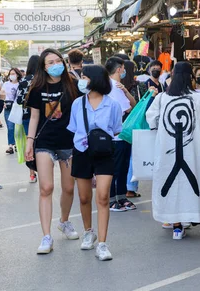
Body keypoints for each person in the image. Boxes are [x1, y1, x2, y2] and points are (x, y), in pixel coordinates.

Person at [146, 61, 200, 240]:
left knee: (174, 187)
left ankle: (177, 227)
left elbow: (151, 120)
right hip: (194, 153)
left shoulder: (162, 98)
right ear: (190, 77)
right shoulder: (197, 98)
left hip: (167, 153)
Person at [24, 48, 80, 254]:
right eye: (50, 62)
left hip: (68, 142)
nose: (55, 64)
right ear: (43, 67)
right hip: (45, 142)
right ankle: (46, 237)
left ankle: (64, 221)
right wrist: (30, 142)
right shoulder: (37, 87)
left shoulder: (73, 85)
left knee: (68, 188)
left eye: (58, 60)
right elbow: (35, 117)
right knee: (46, 188)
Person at [67, 65, 122, 260]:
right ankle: (88, 231)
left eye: (84, 77)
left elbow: (116, 129)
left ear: (95, 79)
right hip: (81, 152)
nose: (81, 80)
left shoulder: (113, 104)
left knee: (103, 196)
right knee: (83, 197)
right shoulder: (77, 104)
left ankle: (103, 244)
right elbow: (74, 129)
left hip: (104, 153)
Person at [105, 57, 137, 212]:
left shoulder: (118, 86)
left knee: (122, 167)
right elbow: (130, 108)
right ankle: (112, 200)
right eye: (123, 68)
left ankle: (121, 197)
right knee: (116, 168)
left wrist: (125, 90)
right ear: (119, 69)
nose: (124, 71)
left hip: (122, 134)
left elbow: (132, 105)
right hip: (115, 135)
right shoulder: (112, 86)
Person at [122, 60, 148, 198]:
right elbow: (144, 104)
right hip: (135, 125)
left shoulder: (115, 87)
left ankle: (120, 186)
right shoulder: (140, 86)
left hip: (120, 125)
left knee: (121, 156)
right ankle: (130, 188)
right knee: (133, 156)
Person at [16, 55, 41, 182]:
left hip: (27, 116)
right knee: (41, 144)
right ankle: (44, 171)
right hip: (42, 117)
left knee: (30, 143)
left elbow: (19, 100)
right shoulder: (43, 80)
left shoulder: (24, 81)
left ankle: (32, 173)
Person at [3, 67, 22, 154]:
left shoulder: (21, 84)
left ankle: (17, 145)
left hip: (17, 107)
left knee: (17, 127)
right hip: (7, 106)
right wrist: (3, 102)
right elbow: (1, 93)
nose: (12, 76)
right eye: (11, 74)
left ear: (17, 75)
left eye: (13, 74)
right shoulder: (6, 84)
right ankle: (11, 145)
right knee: (10, 127)